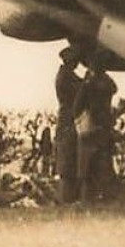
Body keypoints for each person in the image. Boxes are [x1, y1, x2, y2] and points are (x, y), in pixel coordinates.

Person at [73, 61, 125, 204]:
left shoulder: (88, 85)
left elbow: (77, 107)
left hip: (90, 129)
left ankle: (87, 199)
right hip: (104, 127)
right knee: (104, 164)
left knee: (86, 166)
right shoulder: (107, 84)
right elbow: (114, 88)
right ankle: (108, 197)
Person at [52, 45, 85, 203]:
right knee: (68, 161)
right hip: (68, 120)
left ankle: (67, 197)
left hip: (68, 119)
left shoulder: (66, 74)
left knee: (70, 160)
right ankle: (66, 198)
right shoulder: (66, 76)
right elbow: (82, 89)